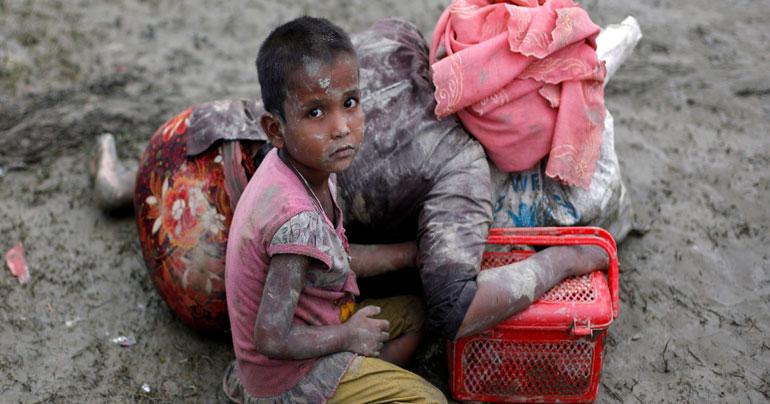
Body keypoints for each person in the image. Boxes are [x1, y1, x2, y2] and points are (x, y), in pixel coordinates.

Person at [100, 18, 607, 341]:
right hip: (209, 282)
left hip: (181, 149)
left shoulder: (397, 34)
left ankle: (121, 183)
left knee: (270, 115)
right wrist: (561, 261)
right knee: (414, 309)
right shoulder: (462, 163)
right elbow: (456, 307)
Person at [220, 16, 445, 403]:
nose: (341, 127)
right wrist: (347, 336)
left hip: (320, 325)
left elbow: (332, 258)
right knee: (430, 400)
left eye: (350, 103)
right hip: (288, 378)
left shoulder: (306, 166)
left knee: (415, 312)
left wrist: (411, 255)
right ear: (275, 129)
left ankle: (363, 380)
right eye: (315, 113)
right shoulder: (296, 220)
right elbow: (271, 338)